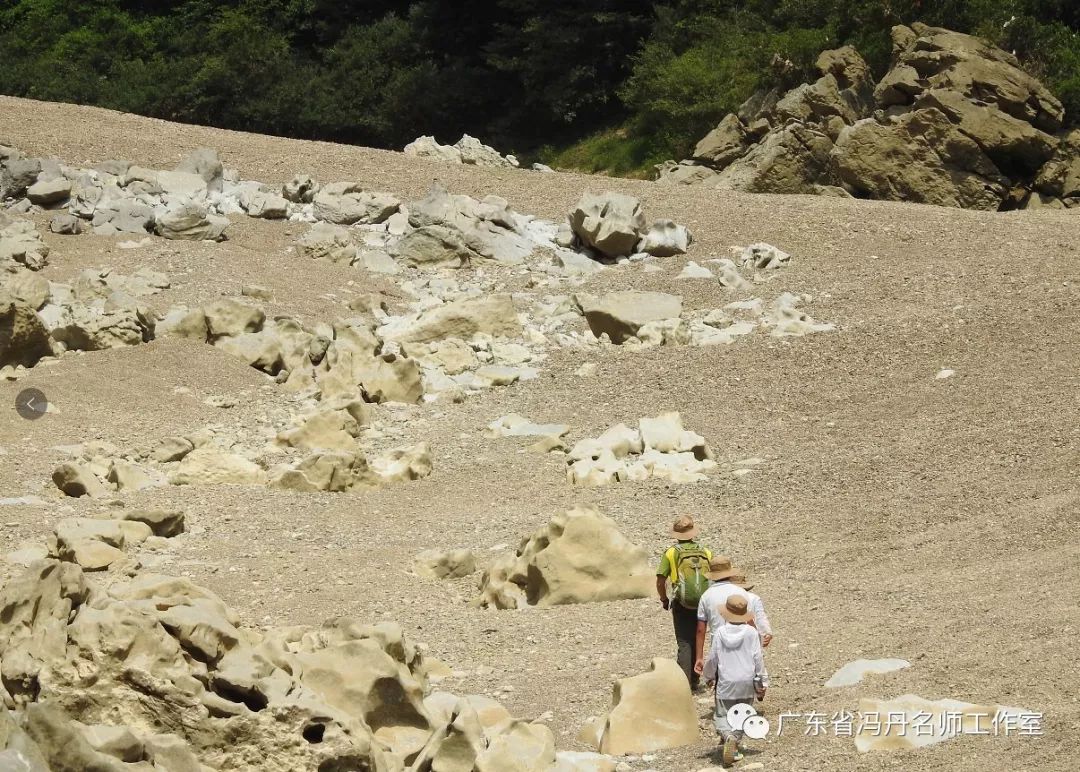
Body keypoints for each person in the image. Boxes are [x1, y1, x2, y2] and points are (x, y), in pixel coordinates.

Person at [697, 595, 769, 766]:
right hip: (747, 680)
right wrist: (762, 682)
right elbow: (758, 658)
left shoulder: (720, 633)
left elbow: (713, 657)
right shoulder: (752, 633)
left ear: (726, 614)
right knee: (743, 713)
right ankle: (734, 743)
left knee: (722, 714)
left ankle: (728, 736)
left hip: (726, 681)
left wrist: (708, 676)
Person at [655, 515, 712, 689]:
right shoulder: (706, 551)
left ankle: (684, 683)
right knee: (699, 636)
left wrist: (664, 598)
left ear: (677, 535)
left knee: (684, 641)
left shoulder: (672, 552)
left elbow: (660, 579)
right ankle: (695, 678)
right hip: (703, 600)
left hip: (682, 601)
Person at [694, 556, 751, 674]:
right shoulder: (740, 591)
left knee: (722, 680)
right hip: (742, 641)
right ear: (729, 573)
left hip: (718, 644)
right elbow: (750, 620)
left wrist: (699, 657)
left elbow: (701, 629)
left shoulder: (706, 596)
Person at [730, 571, 773, 648]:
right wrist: (767, 632)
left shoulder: (727, 598)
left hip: (730, 636)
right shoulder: (754, 598)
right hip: (750, 636)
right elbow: (760, 617)